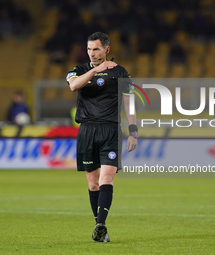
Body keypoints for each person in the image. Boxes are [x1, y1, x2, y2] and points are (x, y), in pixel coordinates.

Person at [66, 32, 138, 242]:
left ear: (106, 49)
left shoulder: (121, 72)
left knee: (107, 178)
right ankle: (100, 227)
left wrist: (133, 130)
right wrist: (95, 70)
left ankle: (101, 224)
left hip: (111, 130)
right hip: (88, 130)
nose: (92, 53)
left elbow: (129, 102)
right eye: (89, 49)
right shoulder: (78, 70)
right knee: (92, 183)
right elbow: (73, 85)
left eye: (96, 49)